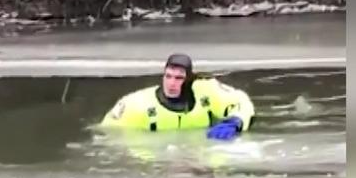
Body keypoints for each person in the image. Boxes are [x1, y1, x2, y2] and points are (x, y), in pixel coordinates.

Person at [100, 53, 255, 140]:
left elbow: (242, 101)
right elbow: (108, 133)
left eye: (179, 78)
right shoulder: (137, 103)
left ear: (188, 79)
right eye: (168, 76)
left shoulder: (206, 91)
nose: (172, 83)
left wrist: (236, 121)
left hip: (201, 156)